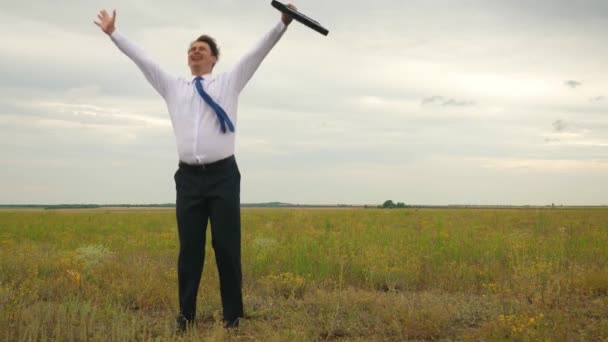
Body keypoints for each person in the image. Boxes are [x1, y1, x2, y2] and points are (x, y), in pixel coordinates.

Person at [94, 5, 295, 331]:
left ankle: (233, 318)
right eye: (191, 50)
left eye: (202, 49)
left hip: (223, 177)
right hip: (188, 179)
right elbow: (144, 60)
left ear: (214, 58)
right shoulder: (174, 87)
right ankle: (185, 317)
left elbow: (257, 53)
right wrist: (114, 33)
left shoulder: (229, 82)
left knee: (227, 248)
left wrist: (282, 24)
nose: (194, 52)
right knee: (189, 251)